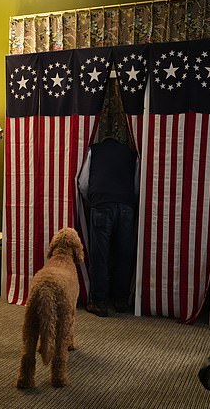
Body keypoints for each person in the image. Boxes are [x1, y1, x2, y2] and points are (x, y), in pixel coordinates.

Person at [78, 120, 139, 317]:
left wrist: (92, 200)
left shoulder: (93, 151)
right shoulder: (131, 154)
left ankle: (100, 301)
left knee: (100, 254)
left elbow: (83, 182)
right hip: (126, 206)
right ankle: (121, 300)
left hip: (101, 204)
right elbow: (137, 185)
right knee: (124, 253)